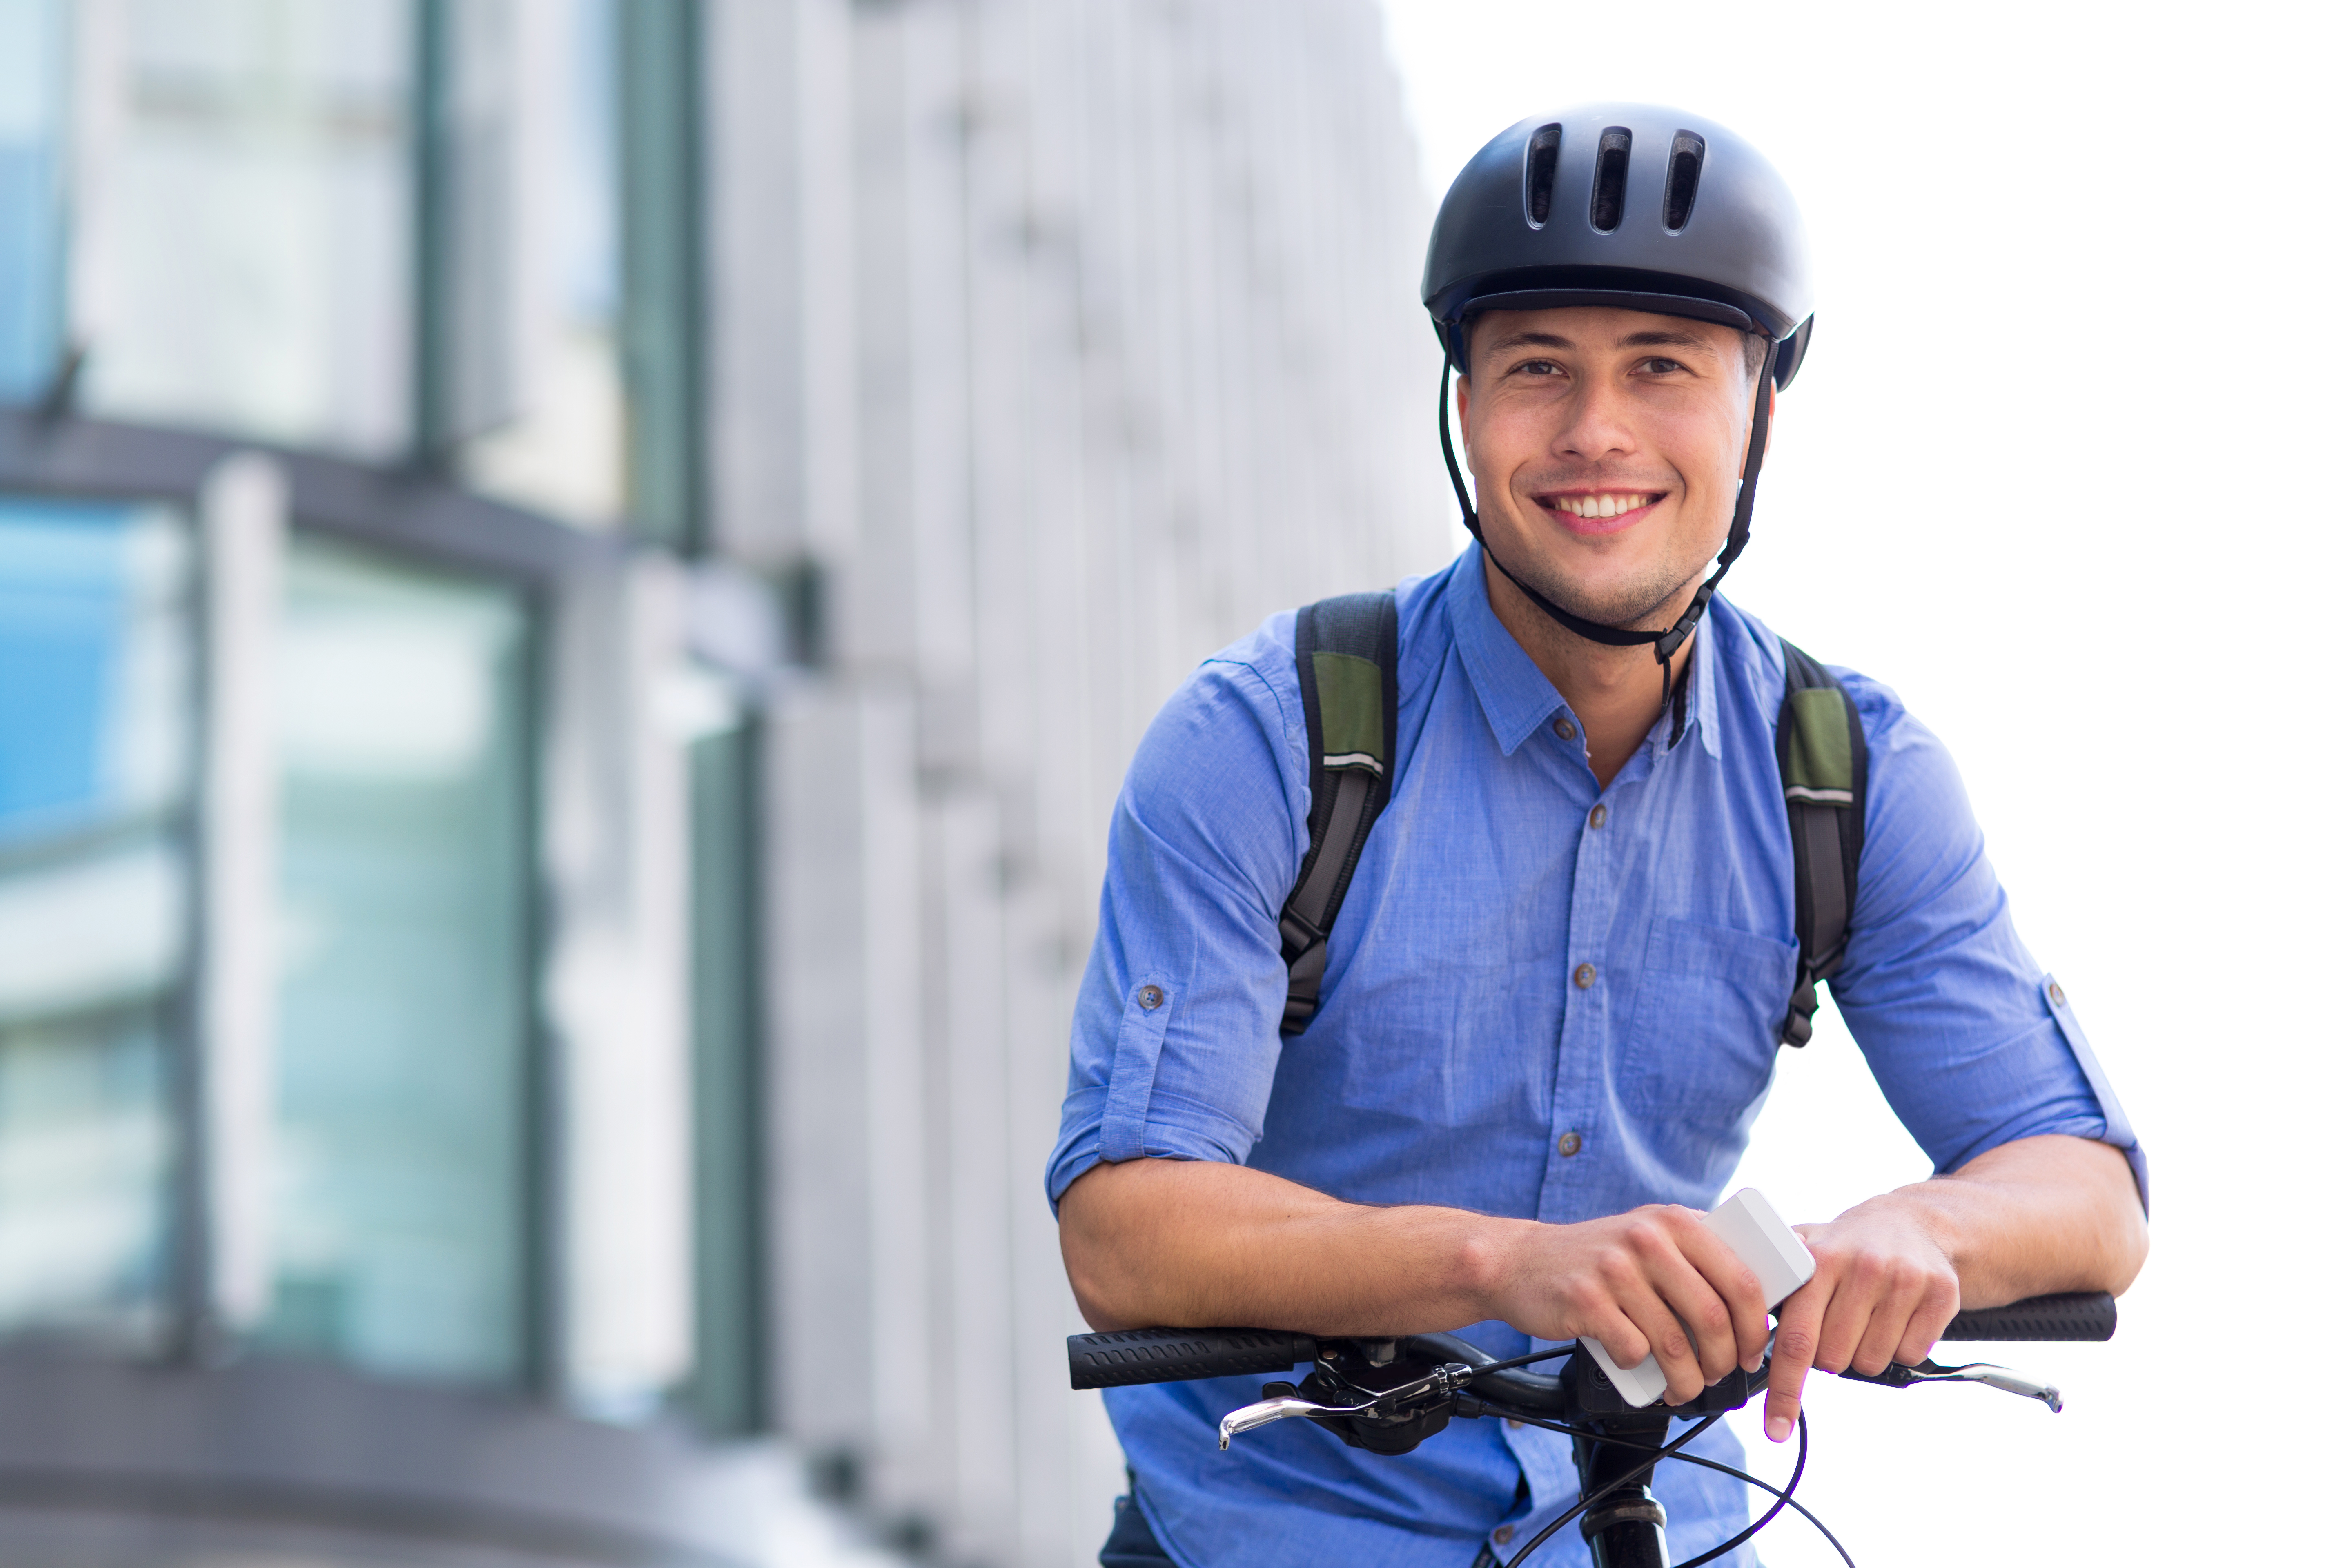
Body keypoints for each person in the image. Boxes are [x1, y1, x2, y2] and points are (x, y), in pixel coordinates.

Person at [1046, 104, 2148, 1568]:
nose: (1595, 433)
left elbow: (2088, 1187)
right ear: (1461, 404)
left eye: (1662, 370)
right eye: (1537, 369)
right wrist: (1511, 1264)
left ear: (1763, 408)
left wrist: (1922, 1233)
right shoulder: (1271, 739)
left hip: (1664, 1526)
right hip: (1285, 1529)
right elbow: (1128, 1231)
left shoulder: (1851, 772)